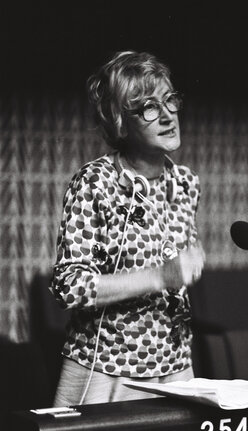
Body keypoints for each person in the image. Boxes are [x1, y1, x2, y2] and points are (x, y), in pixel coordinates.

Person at [50, 50, 205, 406]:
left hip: (175, 365)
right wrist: (158, 277)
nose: (167, 116)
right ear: (121, 122)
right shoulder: (94, 182)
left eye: (170, 100)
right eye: (149, 108)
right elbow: (68, 287)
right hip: (105, 368)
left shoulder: (186, 183)